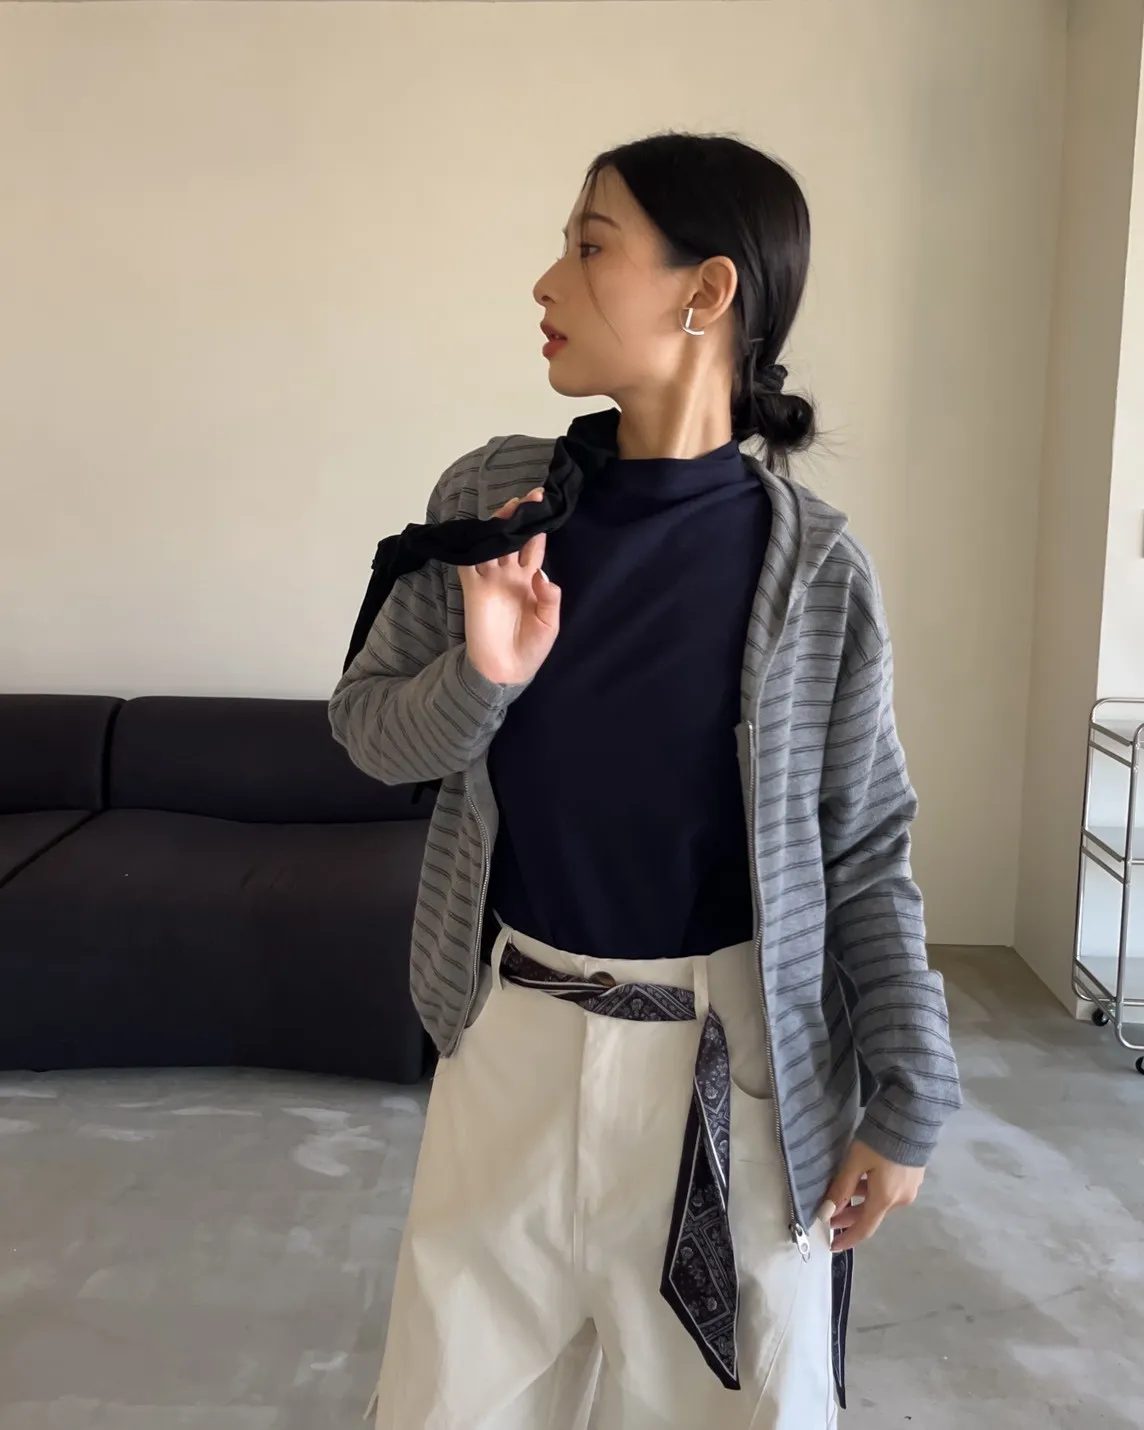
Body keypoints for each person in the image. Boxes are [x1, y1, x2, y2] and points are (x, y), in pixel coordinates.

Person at [330, 131, 961, 1430]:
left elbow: (864, 850)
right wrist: (483, 676)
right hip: (506, 1037)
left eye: (589, 246)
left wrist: (912, 1088)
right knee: (450, 1402)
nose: (546, 280)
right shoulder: (495, 502)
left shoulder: (815, 571)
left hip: (736, 1076)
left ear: (706, 290)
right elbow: (370, 734)